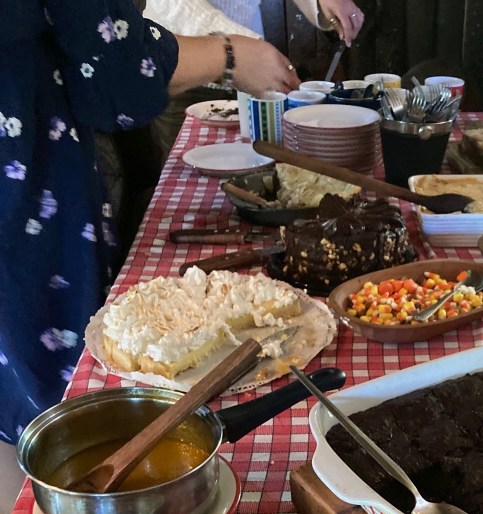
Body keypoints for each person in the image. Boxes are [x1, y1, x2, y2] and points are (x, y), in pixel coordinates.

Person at [0, 1, 303, 448]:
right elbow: (116, 78)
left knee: (15, 393)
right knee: (61, 411)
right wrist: (231, 55)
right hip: (21, 162)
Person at [144, 0, 366, 159]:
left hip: (252, 68)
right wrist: (237, 50)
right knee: (190, 186)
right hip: (183, 66)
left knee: (259, 171)